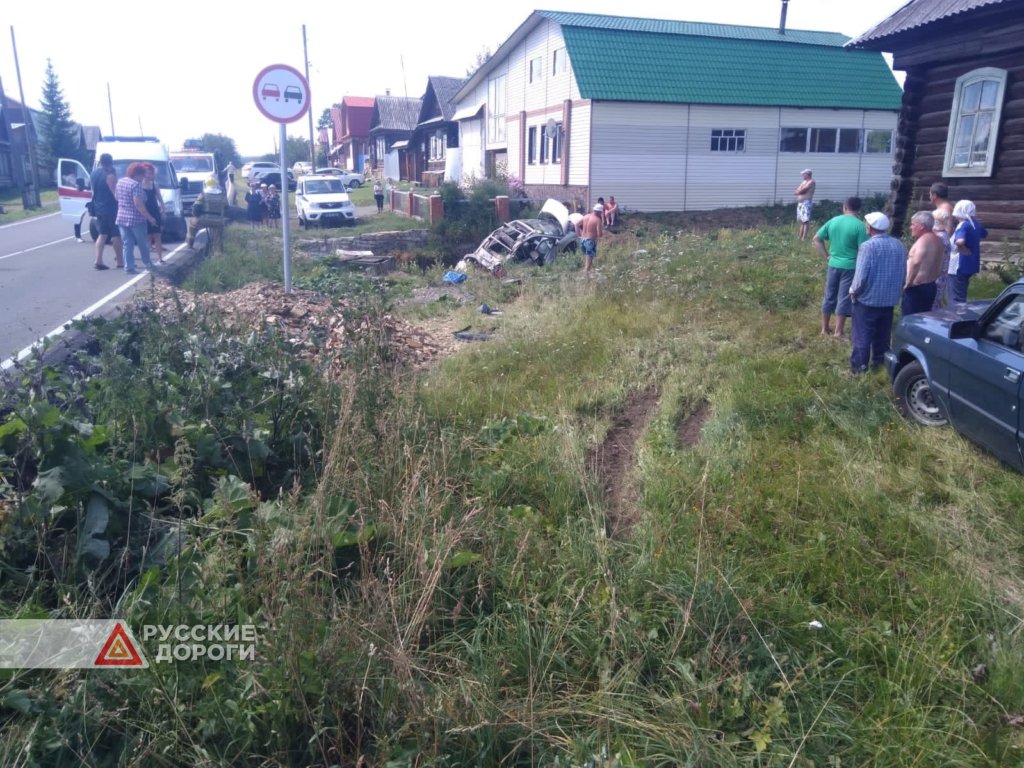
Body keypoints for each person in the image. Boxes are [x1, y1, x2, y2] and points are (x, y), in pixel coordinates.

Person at [848, 212, 906, 373]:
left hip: (868, 299)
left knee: (862, 336)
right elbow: (903, 271)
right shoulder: (898, 244)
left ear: (870, 227)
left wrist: (853, 291)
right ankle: (880, 365)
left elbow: (860, 276)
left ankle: (859, 368)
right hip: (889, 299)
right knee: (883, 336)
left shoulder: (868, 246)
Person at [813, 195, 868, 340]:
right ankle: (839, 332)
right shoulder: (860, 226)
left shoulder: (833, 221)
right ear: (859, 209)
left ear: (845, 207)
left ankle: (824, 329)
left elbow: (816, 239)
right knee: (844, 297)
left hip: (833, 264)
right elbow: (864, 249)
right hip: (850, 266)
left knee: (829, 295)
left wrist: (826, 256)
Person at [114, 162, 158, 275]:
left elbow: (117, 197)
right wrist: (150, 218)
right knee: (142, 243)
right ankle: (148, 264)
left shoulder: (120, 181)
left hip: (122, 217)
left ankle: (128, 267)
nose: (144, 177)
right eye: (143, 175)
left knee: (127, 243)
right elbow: (138, 204)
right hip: (136, 219)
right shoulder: (136, 185)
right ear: (137, 174)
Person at [902, 211, 946, 315]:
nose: (910, 227)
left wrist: (908, 283)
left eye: (913, 224)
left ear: (921, 226)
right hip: (930, 285)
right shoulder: (938, 240)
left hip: (917, 287)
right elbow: (941, 263)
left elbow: (916, 261)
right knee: (924, 319)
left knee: (910, 321)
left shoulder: (923, 241)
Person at [948, 200, 988, 304]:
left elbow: (960, 241)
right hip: (970, 263)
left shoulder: (963, 225)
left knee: (956, 298)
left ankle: (956, 318)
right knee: (962, 293)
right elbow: (984, 234)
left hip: (959, 265)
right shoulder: (976, 224)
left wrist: (961, 248)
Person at [88, 152, 123, 270]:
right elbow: (116, 195)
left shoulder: (94, 173)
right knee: (116, 235)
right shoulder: (110, 176)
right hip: (111, 208)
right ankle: (120, 261)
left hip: (98, 206)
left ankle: (98, 260)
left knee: (102, 234)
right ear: (111, 163)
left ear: (100, 162)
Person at [187, 177, 227, 252]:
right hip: (218, 221)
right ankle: (219, 253)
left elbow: (196, 207)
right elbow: (226, 207)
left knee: (191, 226)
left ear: (206, 185)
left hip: (204, 220)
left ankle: (190, 244)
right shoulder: (222, 195)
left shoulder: (203, 194)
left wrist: (196, 216)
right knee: (218, 237)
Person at [141, 162, 166, 264]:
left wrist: (163, 211)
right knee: (147, 237)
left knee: (157, 236)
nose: (148, 175)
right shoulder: (138, 185)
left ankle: (160, 258)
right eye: (146, 173)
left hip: (155, 211)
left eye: (150, 173)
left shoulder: (154, 185)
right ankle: (147, 260)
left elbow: (160, 199)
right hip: (144, 213)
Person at [931, 209, 953, 310]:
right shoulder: (944, 235)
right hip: (942, 273)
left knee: (933, 301)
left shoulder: (938, 237)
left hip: (936, 274)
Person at [575, 203, 604, 272]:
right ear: (599, 212)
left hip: (583, 240)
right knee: (588, 263)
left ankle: (586, 273)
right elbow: (599, 234)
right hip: (590, 241)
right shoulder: (597, 220)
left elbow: (576, 225)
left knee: (587, 258)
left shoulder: (585, 216)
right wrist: (602, 233)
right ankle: (586, 276)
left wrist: (578, 235)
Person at [795, 169, 816, 241]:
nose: (802, 175)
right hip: (800, 203)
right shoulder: (803, 182)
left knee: (805, 221)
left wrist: (799, 191)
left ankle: (804, 238)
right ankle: (800, 237)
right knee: (801, 221)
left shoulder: (811, 182)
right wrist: (798, 191)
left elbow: (801, 190)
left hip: (806, 203)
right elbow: (796, 191)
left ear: (807, 174)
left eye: (803, 174)